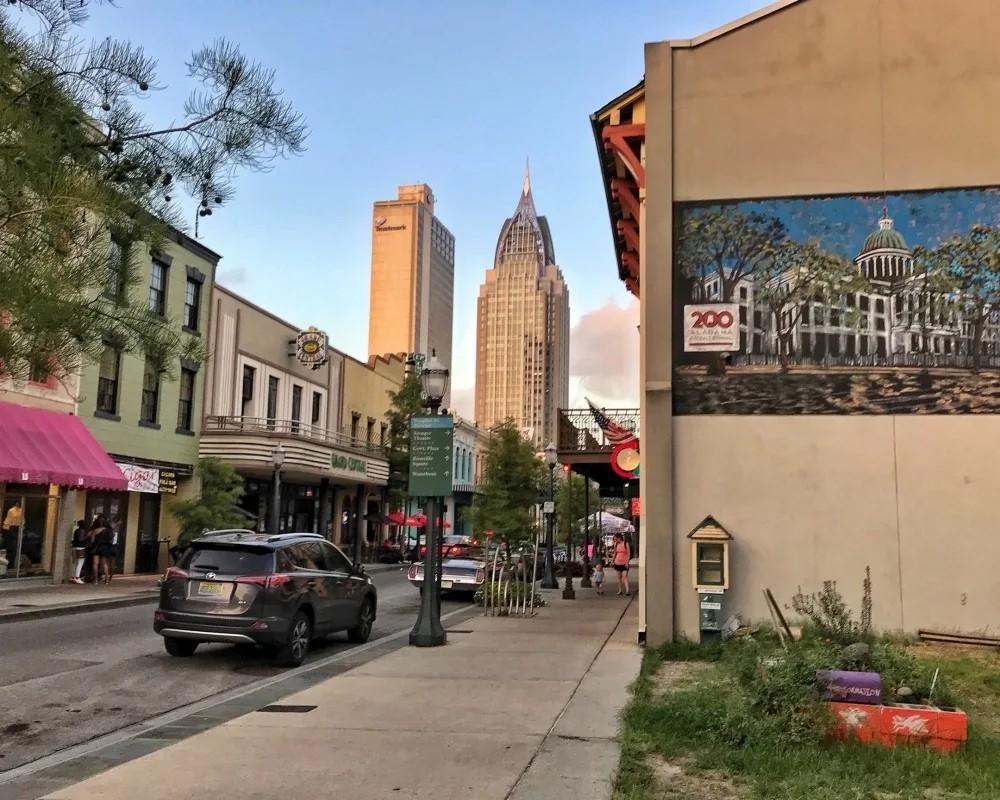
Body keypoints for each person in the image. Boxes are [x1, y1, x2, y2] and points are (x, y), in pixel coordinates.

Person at [69, 519, 90, 584]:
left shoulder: (76, 531)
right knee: (80, 563)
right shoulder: (82, 531)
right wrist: (88, 536)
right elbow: (81, 539)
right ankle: (77, 577)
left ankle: (72, 577)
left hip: (74, 547)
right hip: (80, 548)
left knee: (74, 563)